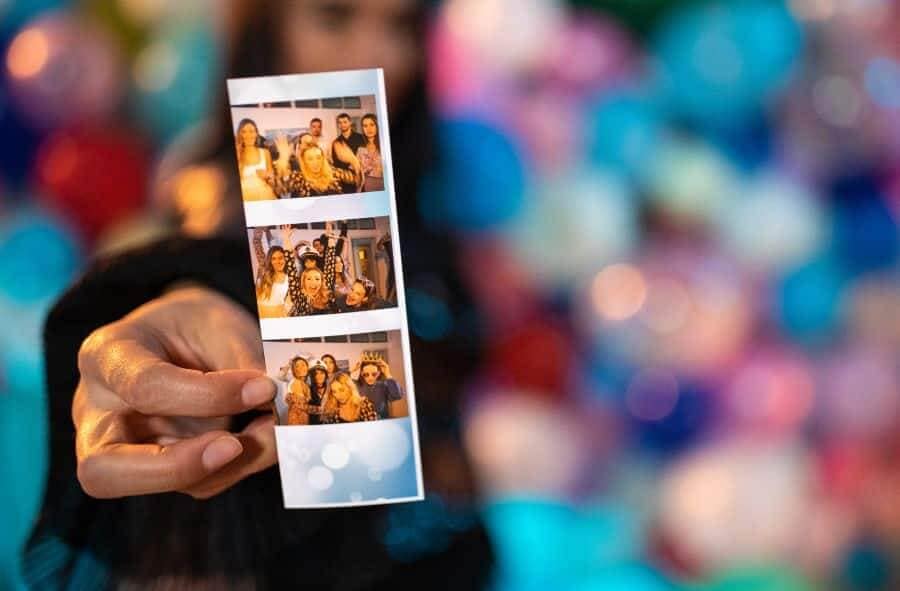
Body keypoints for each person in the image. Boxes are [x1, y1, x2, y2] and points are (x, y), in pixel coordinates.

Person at [26, 1, 493, 589]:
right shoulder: (251, 182)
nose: (382, 53)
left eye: (402, 25)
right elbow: (218, 265)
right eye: (334, 16)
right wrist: (199, 302)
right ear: (262, 27)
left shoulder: (416, 184)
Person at [274, 142, 361, 197]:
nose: (315, 162)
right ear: (304, 161)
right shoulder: (299, 177)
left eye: (318, 157)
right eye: (310, 159)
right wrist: (283, 162)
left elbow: (358, 181)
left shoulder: (334, 172)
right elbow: (281, 190)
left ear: (323, 158)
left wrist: (354, 161)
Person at [252, 226, 299, 318]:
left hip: (279, 315)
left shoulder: (290, 275)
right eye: (273, 259)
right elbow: (257, 244)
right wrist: (261, 228)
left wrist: (286, 239)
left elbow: (290, 256)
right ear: (270, 260)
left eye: (281, 258)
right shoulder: (264, 270)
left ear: (285, 259)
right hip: (261, 313)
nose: (277, 261)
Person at [235, 118, 276, 201]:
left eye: (251, 131)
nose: (248, 135)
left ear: (256, 133)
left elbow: (273, 182)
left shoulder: (265, 152)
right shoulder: (237, 154)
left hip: (265, 196)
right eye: (243, 132)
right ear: (240, 134)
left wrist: (267, 177)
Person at [332, 112, 367, 193]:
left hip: (361, 176)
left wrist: (355, 165)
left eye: (345, 122)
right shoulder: (336, 142)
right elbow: (336, 162)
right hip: (346, 179)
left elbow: (365, 157)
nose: (342, 125)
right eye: (340, 123)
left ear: (350, 122)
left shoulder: (361, 138)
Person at [356, 113, 385, 192]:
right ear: (362, 129)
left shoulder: (385, 145)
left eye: (372, 124)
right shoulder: (360, 149)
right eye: (365, 126)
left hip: (384, 183)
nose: (369, 129)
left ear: (377, 126)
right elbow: (358, 172)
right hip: (368, 185)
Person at [284, 356, 311, 425]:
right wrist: (322, 410)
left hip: (304, 420)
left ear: (307, 367)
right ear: (294, 370)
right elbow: (302, 406)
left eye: (303, 365)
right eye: (297, 366)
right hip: (297, 422)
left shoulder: (305, 384)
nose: (301, 368)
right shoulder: (296, 382)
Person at [306, 358, 329, 425]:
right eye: (315, 374)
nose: (319, 376)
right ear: (312, 376)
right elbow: (305, 408)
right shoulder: (307, 389)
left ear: (326, 375)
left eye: (322, 373)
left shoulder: (331, 389)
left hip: (330, 427)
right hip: (313, 427)